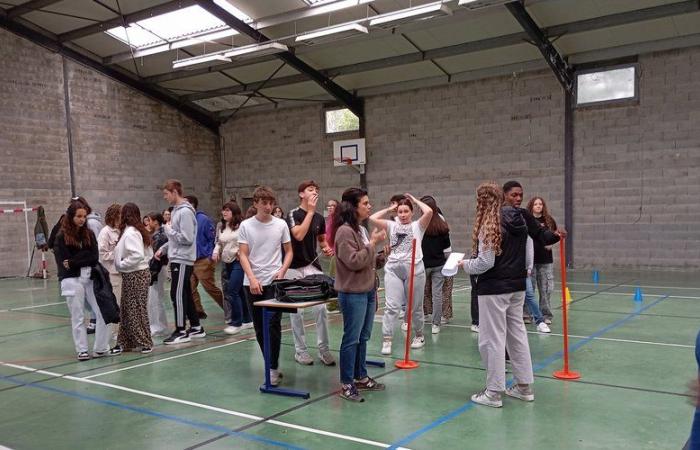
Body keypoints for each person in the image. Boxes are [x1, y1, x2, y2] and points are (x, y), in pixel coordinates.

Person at [459, 182, 534, 408]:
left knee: (492, 340)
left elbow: (485, 262)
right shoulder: (520, 222)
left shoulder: (489, 226)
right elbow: (529, 253)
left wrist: (465, 265)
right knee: (517, 335)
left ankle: (493, 392)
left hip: (494, 289)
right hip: (517, 286)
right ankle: (525, 387)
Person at [334, 187, 387, 402]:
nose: (369, 206)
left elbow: (367, 261)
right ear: (353, 207)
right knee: (351, 338)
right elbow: (354, 261)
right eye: (365, 203)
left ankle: (360, 376)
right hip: (352, 294)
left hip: (366, 291)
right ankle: (347, 382)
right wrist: (373, 244)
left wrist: (381, 255)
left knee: (363, 337)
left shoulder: (360, 230)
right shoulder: (344, 232)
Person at [238, 186, 293, 387]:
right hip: (252, 284)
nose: (268, 207)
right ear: (256, 204)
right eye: (264, 203)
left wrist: (283, 271)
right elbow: (242, 254)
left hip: (274, 283)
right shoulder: (246, 225)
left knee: (273, 325)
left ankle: (271, 368)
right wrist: (252, 278)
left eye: (271, 203)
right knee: (260, 329)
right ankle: (271, 364)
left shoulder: (281, 225)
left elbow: (288, 251)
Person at [370, 193, 432, 355]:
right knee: (392, 306)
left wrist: (415, 200)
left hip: (415, 269)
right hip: (393, 269)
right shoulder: (391, 225)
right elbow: (372, 217)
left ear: (412, 212)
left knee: (415, 307)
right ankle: (387, 339)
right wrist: (390, 208)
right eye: (400, 212)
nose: (403, 215)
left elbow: (429, 212)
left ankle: (419, 335)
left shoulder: (418, 226)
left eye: (406, 211)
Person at [53, 200, 110, 360]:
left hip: (90, 277)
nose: (82, 219)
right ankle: (82, 350)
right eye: (78, 216)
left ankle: (100, 348)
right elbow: (64, 263)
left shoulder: (89, 234)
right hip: (71, 280)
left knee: (101, 312)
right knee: (77, 316)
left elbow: (93, 257)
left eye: (84, 216)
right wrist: (79, 259)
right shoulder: (61, 236)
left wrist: (75, 260)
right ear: (71, 217)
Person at [286, 180, 335, 366]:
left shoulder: (319, 219)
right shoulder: (293, 214)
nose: (315, 192)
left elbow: (321, 240)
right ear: (301, 194)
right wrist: (311, 212)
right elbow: (298, 234)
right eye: (310, 189)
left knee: (321, 308)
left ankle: (324, 350)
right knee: (296, 311)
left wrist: (327, 247)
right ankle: (301, 351)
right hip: (292, 268)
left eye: (316, 189)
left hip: (311, 267)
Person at [157, 179, 204, 344]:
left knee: (176, 293)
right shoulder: (177, 211)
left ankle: (180, 330)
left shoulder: (184, 212)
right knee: (185, 293)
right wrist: (163, 249)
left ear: (174, 192)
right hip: (178, 256)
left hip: (183, 259)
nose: (165, 197)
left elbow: (187, 238)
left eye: (166, 194)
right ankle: (196, 326)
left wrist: (168, 230)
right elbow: (177, 237)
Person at [112, 203, 154, 354]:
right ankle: (125, 342)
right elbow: (148, 254)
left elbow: (138, 255)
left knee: (136, 309)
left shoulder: (131, 233)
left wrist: (123, 265)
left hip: (135, 274)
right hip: (136, 274)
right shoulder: (136, 231)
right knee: (127, 309)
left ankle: (145, 342)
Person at [212, 201, 252, 335]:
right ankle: (248, 319)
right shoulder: (222, 226)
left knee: (232, 291)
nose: (224, 213)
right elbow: (219, 242)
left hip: (238, 261)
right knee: (239, 292)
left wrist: (242, 253)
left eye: (227, 210)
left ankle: (237, 322)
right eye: (223, 210)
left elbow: (248, 242)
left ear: (234, 212)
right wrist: (216, 251)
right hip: (226, 261)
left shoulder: (242, 226)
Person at [184, 195, 224, 321]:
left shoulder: (203, 219)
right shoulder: (185, 220)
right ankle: (198, 310)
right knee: (189, 287)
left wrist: (210, 257)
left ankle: (229, 309)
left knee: (210, 288)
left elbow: (212, 238)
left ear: (192, 205)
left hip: (203, 260)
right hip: (190, 259)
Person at [419, 196, 451, 335]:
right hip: (439, 265)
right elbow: (447, 250)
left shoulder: (420, 225)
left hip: (424, 265)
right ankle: (436, 325)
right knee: (437, 295)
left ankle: (417, 319)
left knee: (419, 293)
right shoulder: (442, 226)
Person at [527, 196, 558, 324]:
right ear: (531, 206)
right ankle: (527, 314)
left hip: (545, 260)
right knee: (529, 289)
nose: (538, 206)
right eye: (535, 204)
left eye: (540, 204)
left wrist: (552, 243)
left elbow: (555, 235)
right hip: (531, 260)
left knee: (545, 289)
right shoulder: (527, 220)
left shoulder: (549, 220)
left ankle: (545, 315)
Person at [97, 203, 122, 342]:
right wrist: (118, 254)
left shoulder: (122, 230)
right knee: (116, 304)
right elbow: (102, 255)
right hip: (113, 274)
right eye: (120, 215)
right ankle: (115, 332)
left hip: (124, 272)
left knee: (124, 304)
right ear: (114, 216)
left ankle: (123, 331)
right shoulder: (105, 232)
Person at [146, 212, 169, 337]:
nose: (147, 223)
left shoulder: (160, 235)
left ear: (155, 222)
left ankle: (160, 326)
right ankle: (156, 324)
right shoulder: (153, 234)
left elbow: (155, 255)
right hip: (155, 268)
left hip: (158, 268)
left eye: (149, 220)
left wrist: (152, 272)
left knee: (156, 298)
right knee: (153, 299)